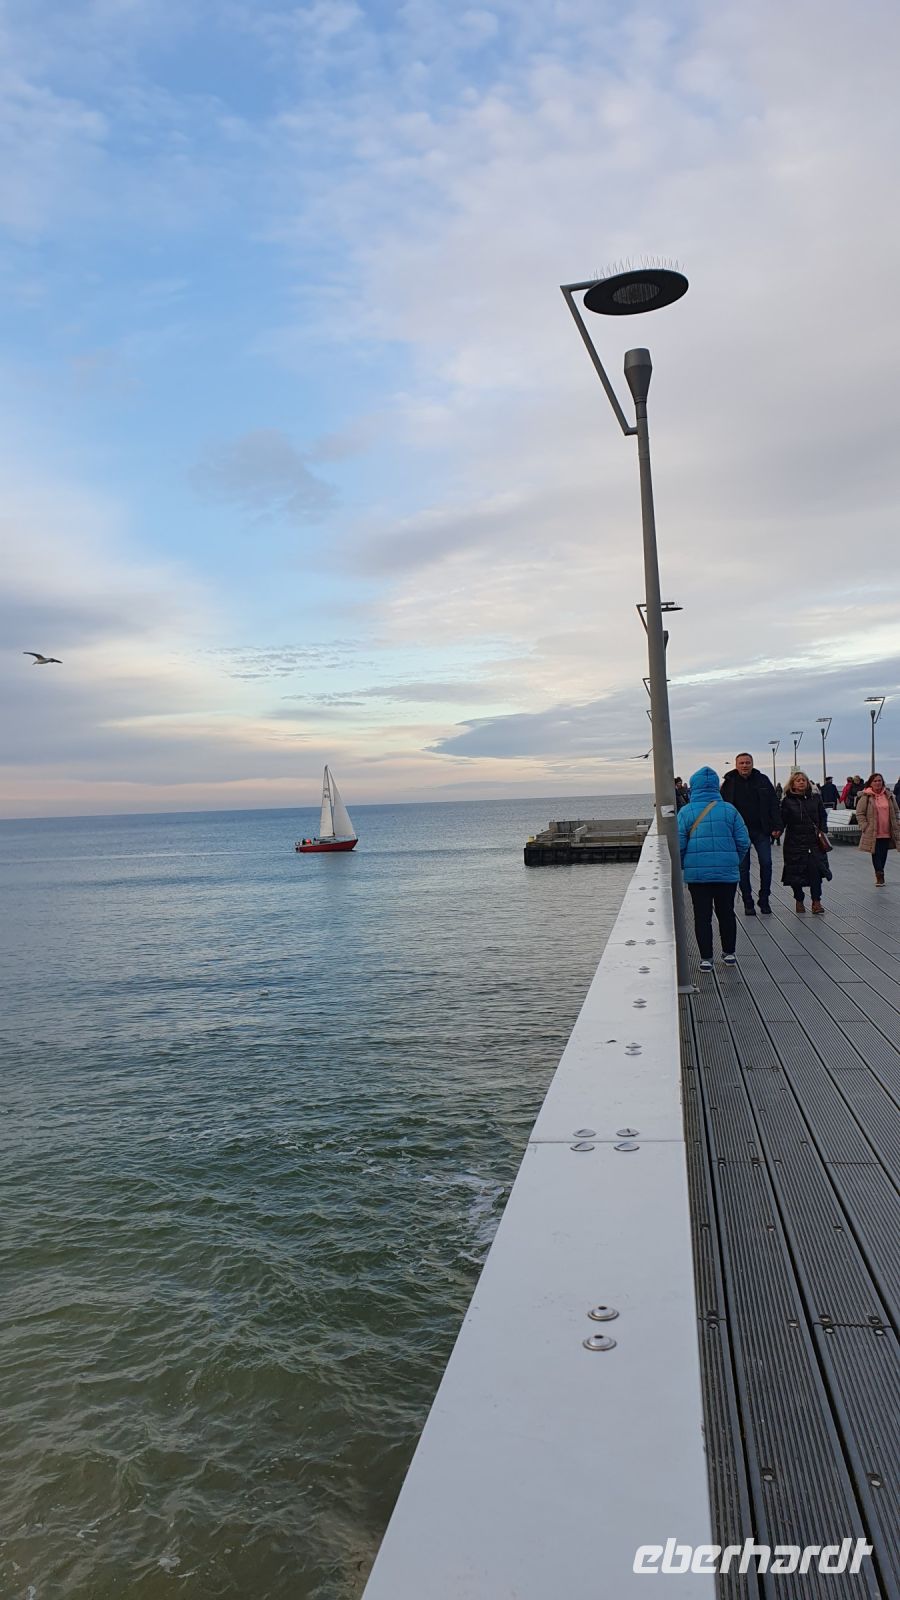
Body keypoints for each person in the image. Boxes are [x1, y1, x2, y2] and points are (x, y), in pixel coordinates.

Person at [678, 766, 751, 971]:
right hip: (727, 874)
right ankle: (729, 954)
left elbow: (679, 845)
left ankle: (706, 959)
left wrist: (686, 864)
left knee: (702, 916)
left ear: (694, 787)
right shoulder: (729, 809)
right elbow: (743, 841)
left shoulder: (685, 812)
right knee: (726, 912)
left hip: (697, 875)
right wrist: (734, 860)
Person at [720, 752, 782, 916]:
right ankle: (748, 901)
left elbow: (774, 804)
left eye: (747, 762)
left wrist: (777, 825)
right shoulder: (728, 783)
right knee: (742, 868)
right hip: (739, 833)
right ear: (736, 765)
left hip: (761, 830)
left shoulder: (762, 780)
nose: (745, 766)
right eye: (741, 763)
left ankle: (764, 899)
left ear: (752, 764)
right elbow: (723, 808)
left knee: (766, 864)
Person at [781, 771, 829, 912]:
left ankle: (816, 901)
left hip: (813, 842)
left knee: (816, 872)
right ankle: (799, 898)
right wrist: (776, 830)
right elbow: (782, 819)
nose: (801, 782)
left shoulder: (815, 798)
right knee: (795, 873)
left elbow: (822, 815)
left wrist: (822, 829)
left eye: (804, 780)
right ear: (792, 784)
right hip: (794, 842)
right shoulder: (787, 801)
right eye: (798, 780)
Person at [855, 773, 900, 886]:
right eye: (875, 781)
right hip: (873, 830)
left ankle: (881, 871)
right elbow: (860, 813)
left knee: (883, 853)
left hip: (887, 830)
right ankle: (879, 874)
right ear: (871, 783)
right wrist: (864, 825)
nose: (877, 783)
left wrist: (897, 822)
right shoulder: (866, 796)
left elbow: (896, 811)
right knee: (875, 853)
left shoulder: (889, 796)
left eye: (879, 780)